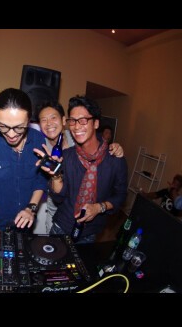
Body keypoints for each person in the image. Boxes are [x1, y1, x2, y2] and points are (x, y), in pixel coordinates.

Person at [35, 95, 128, 244]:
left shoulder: (115, 159)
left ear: (96, 123)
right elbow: (59, 198)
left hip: (90, 232)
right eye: (73, 121)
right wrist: (56, 175)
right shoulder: (67, 156)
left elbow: (120, 195)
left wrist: (99, 207)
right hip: (61, 226)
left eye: (83, 120)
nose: (76, 126)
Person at [0, 88, 48, 253]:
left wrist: (31, 208)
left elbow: (40, 180)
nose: (11, 134)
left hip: (26, 223)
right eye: (3, 127)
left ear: (29, 120)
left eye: (19, 127)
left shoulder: (39, 140)